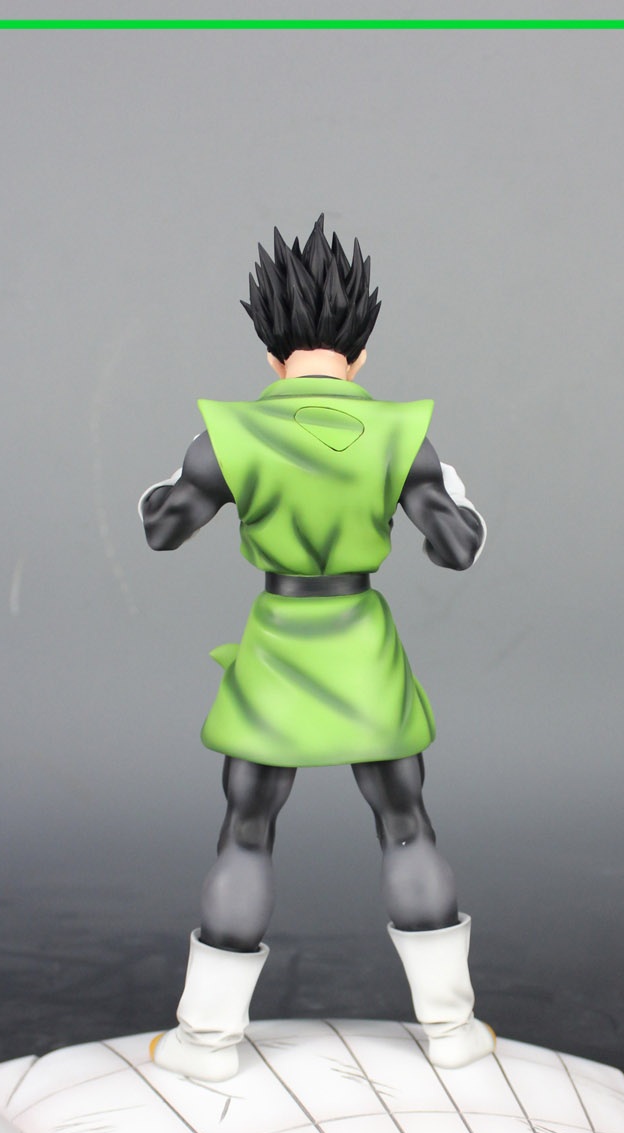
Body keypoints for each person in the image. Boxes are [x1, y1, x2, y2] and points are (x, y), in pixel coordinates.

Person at [139, 216, 492, 1081]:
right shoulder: (401, 434)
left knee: (246, 832)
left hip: (278, 644)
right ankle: (451, 1031)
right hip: (361, 643)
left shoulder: (229, 436)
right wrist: (454, 496)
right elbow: (456, 548)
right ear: (361, 353)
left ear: (270, 353)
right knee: (406, 826)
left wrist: (181, 479)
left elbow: (162, 528)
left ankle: (206, 1042)